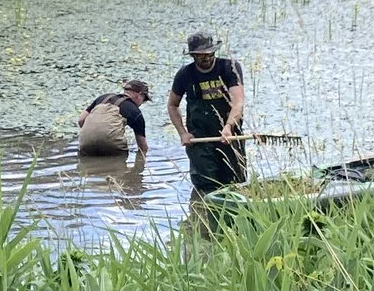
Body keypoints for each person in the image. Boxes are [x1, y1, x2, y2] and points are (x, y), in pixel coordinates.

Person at [168, 32, 247, 200]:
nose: (206, 58)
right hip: (199, 139)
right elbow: (172, 105)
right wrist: (182, 133)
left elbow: (238, 102)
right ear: (193, 56)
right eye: (200, 55)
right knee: (206, 187)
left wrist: (228, 127)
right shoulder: (185, 74)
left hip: (230, 136)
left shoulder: (230, 68)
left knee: (236, 183)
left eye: (209, 53)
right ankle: (205, 219)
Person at [78, 78, 152, 158]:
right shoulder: (135, 112)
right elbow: (142, 147)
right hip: (113, 146)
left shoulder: (103, 97)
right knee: (118, 166)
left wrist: (94, 133)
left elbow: (81, 120)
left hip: (86, 142)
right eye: (144, 100)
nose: (142, 103)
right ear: (140, 94)